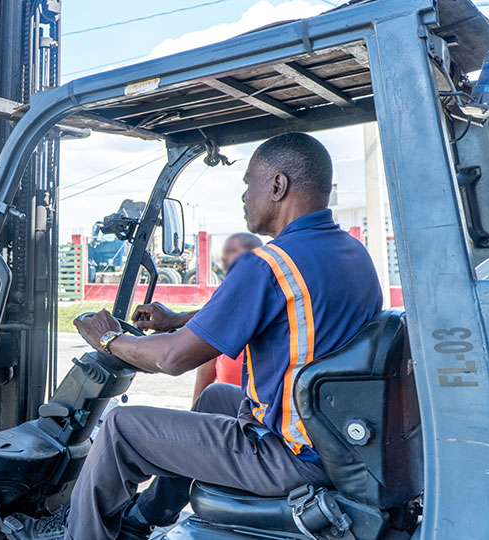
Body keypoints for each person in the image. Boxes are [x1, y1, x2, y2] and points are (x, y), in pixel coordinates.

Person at [59, 132, 382, 540]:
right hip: (339, 442)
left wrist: (109, 340)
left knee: (122, 428)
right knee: (215, 398)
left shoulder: (268, 264)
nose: (244, 196)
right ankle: (145, 518)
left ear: (277, 186)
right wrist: (179, 320)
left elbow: (173, 359)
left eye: (249, 184)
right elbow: (282, 311)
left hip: (293, 456)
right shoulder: (350, 253)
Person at [134, 233, 263, 406]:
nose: (226, 259)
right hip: (228, 411)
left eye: (234, 252)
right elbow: (205, 372)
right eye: (226, 253)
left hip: (256, 414)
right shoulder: (221, 304)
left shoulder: (263, 300)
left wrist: (112, 341)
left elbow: (172, 358)